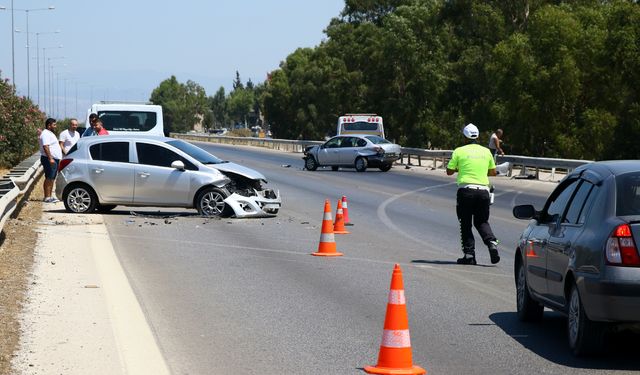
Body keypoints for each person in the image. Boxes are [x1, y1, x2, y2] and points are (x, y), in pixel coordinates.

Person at [447, 123, 500, 265]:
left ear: (464, 137)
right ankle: (492, 242)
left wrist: (461, 168)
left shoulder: (459, 151)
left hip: (466, 191)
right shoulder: (486, 151)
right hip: (483, 191)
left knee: (465, 223)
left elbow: (449, 171)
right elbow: (493, 172)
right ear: (477, 137)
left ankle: (469, 255)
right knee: (482, 221)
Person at [39, 118, 63, 203]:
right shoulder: (45, 134)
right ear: (49, 125)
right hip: (49, 159)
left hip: (53, 159)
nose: (55, 126)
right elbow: (45, 146)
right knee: (49, 177)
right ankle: (47, 197)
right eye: (54, 125)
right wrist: (50, 158)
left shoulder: (50, 133)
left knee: (52, 177)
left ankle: (50, 196)